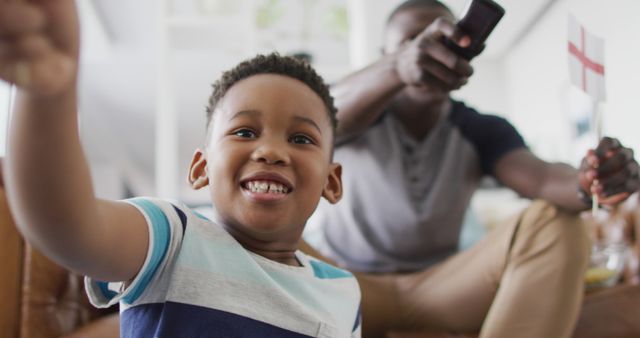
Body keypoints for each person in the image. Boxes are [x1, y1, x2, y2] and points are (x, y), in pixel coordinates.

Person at [0, 1, 361, 337]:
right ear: (201, 168)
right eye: (245, 132)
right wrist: (48, 95)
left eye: (300, 139)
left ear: (331, 182)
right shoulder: (172, 237)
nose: (270, 151)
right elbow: (68, 227)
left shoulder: (343, 290)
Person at [303, 0, 640, 337]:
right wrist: (398, 68)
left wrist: (591, 181)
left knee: (559, 221)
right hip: (347, 284)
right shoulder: (352, 112)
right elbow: (315, 115)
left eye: (444, 40)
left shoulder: (479, 129)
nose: (429, 50)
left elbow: (544, 178)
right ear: (385, 53)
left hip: (443, 289)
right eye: (411, 42)